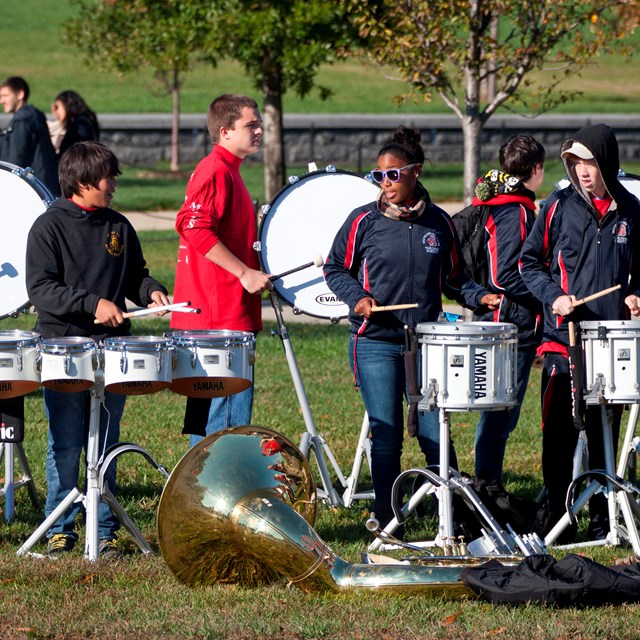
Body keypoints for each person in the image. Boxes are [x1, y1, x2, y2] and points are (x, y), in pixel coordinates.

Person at [324, 126, 500, 529]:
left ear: (415, 172)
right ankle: (388, 519)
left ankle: (455, 516)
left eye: (393, 175)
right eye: (378, 176)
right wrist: (358, 297)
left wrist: (480, 296)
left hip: (425, 344)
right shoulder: (363, 221)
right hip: (375, 342)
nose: (385, 184)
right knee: (386, 435)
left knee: (433, 432)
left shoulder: (439, 223)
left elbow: (453, 278)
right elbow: (335, 267)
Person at [25, 141, 170, 556]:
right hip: (65, 348)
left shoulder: (118, 226)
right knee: (67, 441)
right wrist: (93, 304)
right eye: (108, 177)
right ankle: (60, 526)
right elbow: (42, 289)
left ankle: (103, 529)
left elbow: (135, 277)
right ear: (84, 180)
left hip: (113, 352)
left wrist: (152, 291)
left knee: (106, 443)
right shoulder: (48, 227)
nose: (114, 185)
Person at [520, 123, 640, 542]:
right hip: (563, 341)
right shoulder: (557, 206)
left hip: (611, 341)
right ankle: (557, 518)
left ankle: (605, 518)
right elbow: (528, 264)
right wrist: (554, 296)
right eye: (575, 163)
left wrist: (635, 295)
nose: (583, 171)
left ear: (606, 160)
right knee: (559, 435)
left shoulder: (632, 211)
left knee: (604, 430)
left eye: (589, 161)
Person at [171, 94, 272, 447]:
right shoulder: (216, 169)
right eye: (251, 125)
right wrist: (244, 273)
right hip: (219, 321)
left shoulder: (228, 169)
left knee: (203, 423)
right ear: (225, 131)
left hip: (214, 316)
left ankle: (197, 493)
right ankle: (216, 497)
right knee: (224, 428)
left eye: (259, 123)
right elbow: (192, 226)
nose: (259, 130)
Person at [468, 135, 545, 483]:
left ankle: (489, 482)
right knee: (500, 413)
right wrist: (548, 292)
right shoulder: (513, 210)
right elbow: (505, 275)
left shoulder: (508, 201)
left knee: (501, 413)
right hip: (507, 326)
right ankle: (487, 486)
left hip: (507, 322)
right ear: (537, 170)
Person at [0, 76, 60, 195]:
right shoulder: (34, 116)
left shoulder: (22, 121)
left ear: (20, 94)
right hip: (45, 184)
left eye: (5, 96)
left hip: (32, 189)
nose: (1, 101)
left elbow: (14, 161)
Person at [49, 89, 100, 157]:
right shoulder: (81, 122)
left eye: (57, 107)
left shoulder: (81, 124)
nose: (55, 113)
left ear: (67, 104)